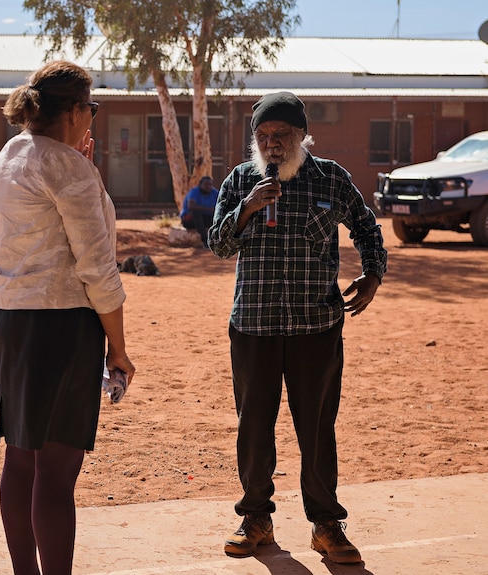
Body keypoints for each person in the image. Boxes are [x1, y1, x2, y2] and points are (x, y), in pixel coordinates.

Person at [208, 91, 387, 565]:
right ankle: (256, 520)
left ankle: (327, 526)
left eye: (281, 136)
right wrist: (246, 207)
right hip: (254, 326)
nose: (272, 145)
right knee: (254, 429)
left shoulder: (330, 178)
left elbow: (367, 227)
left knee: (316, 429)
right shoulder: (241, 180)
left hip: (317, 326)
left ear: (301, 136)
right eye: (263, 137)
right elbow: (218, 245)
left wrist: (372, 273)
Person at [0, 60, 135, 575]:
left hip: (6, 318)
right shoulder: (67, 167)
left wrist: (80, 167)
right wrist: (118, 347)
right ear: (73, 111)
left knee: (21, 458)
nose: (92, 117)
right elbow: (97, 266)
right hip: (59, 323)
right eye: (90, 108)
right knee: (57, 470)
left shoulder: (8, 156)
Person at [179, 176, 219, 247]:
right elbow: (191, 206)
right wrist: (209, 209)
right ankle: (205, 240)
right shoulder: (194, 192)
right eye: (206, 184)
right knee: (196, 214)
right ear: (200, 185)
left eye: (210, 184)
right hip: (190, 220)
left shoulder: (214, 193)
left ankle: (219, 240)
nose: (208, 186)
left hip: (206, 219)